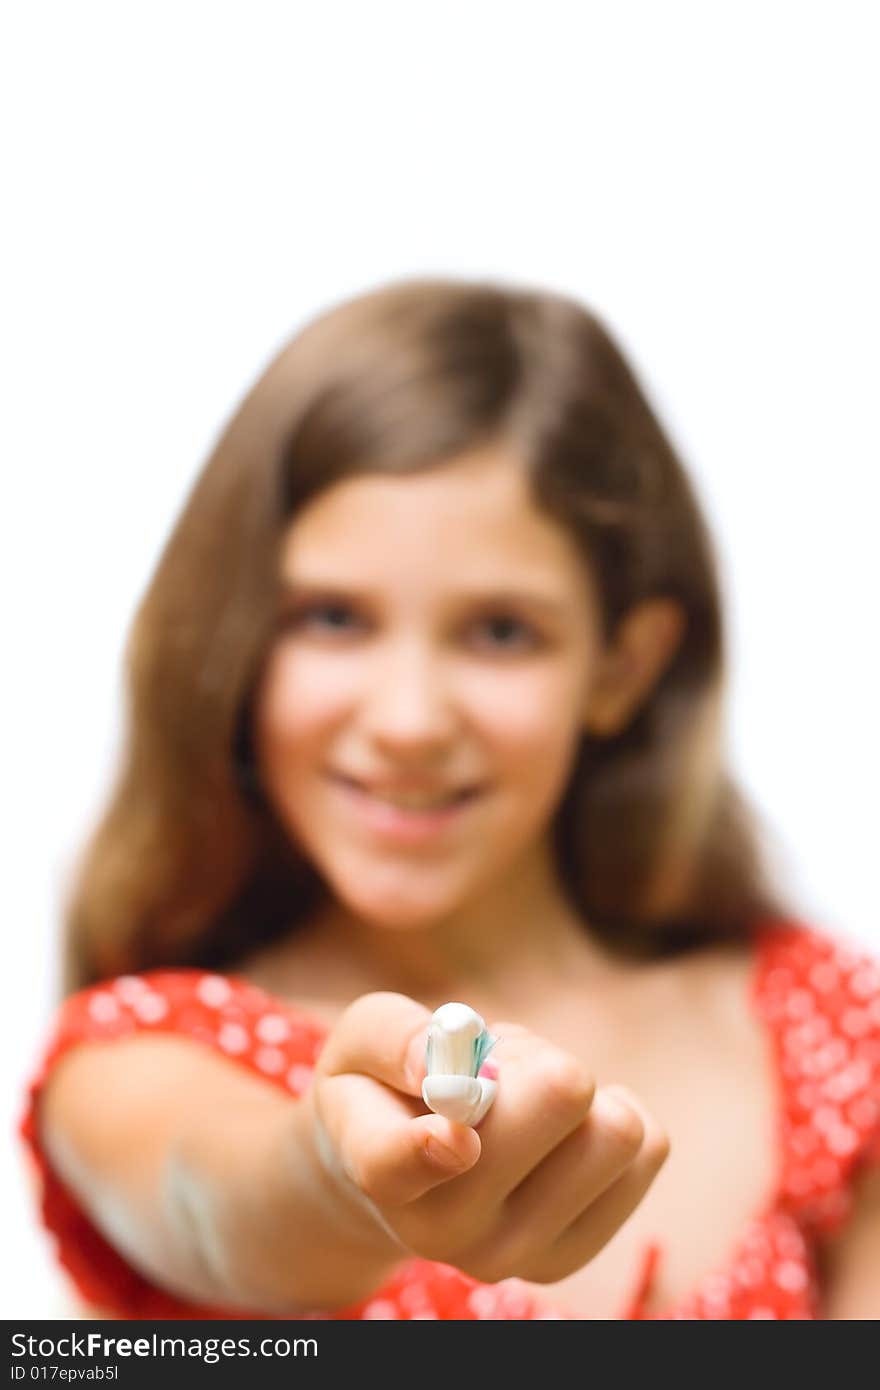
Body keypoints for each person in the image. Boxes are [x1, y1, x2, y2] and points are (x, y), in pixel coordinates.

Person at [19, 278, 880, 1321]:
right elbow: (214, 1207)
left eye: (500, 631)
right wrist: (345, 1180)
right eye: (333, 618)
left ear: (621, 664)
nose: (410, 719)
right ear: (236, 642)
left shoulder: (826, 1028)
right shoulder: (138, 1059)